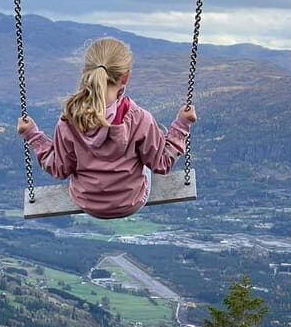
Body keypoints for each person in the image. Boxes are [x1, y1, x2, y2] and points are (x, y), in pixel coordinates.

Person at [17, 37, 197, 219]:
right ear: (125, 76)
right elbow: (162, 163)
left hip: (87, 202)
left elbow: (59, 169)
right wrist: (182, 124)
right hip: (131, 202)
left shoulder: (68, 120)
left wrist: (33, 135)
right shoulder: (140, 119)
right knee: (158, 133)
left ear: (85, 72)